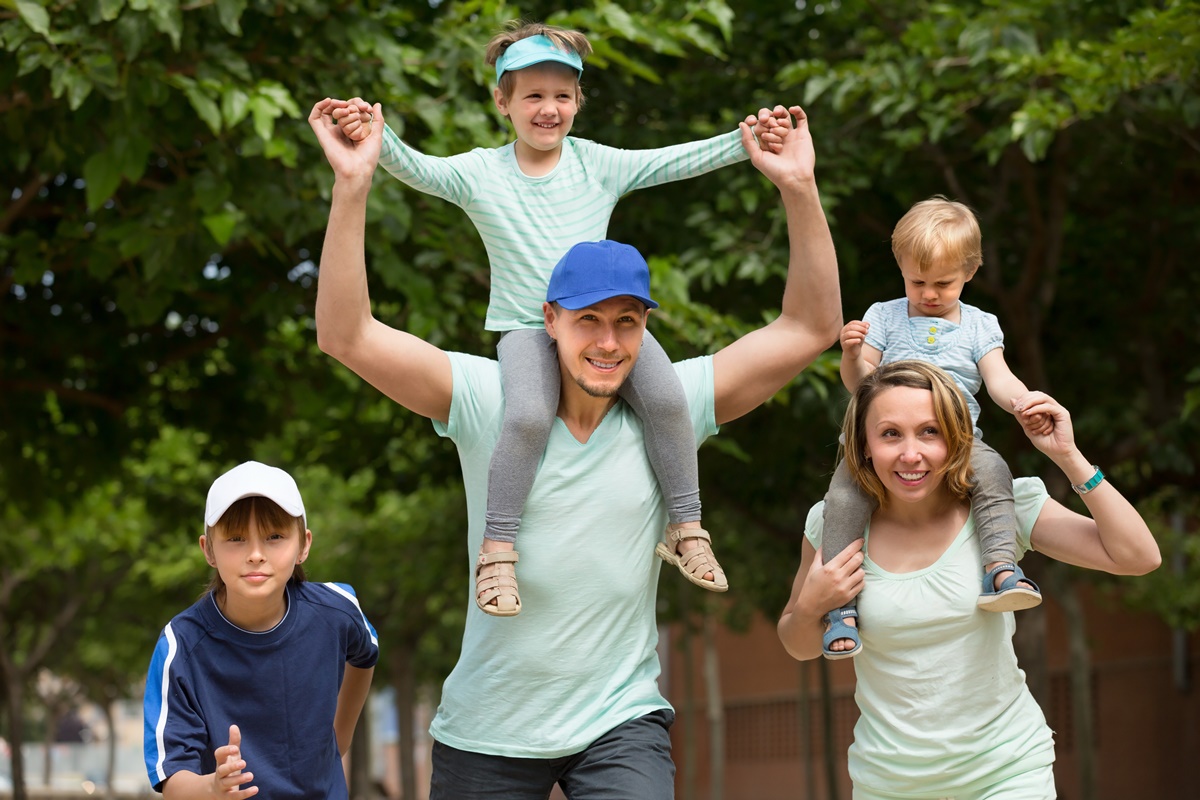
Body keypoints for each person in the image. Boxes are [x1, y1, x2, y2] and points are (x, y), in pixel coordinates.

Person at [309, 95, 839, 798]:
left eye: (627, 322)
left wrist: (798, 188)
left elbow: (810, 326)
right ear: (551, 321)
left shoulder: (672, 408)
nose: (609, 341)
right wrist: (352, 188)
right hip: (488, 729)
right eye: (589, 321)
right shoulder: (490, 397)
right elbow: (346, 336)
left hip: (620, 722)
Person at [328, 20, 789, 614]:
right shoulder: (480, 173)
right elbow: (420, 169)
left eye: (563, 96)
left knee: (670, 400)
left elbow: (674, 161)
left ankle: (687, 528)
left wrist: (747, 139)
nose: (549, 109)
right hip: (526, 330)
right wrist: (374, 136)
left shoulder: (596, 164)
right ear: (503, 101)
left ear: (578, 101)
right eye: (534, 96)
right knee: (523, 418)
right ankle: (496, 552)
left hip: (599, 325)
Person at [778, 360, 1160, 799]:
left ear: (956, 437)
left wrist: (1068, 457)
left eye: (929, 431)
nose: (910, 453)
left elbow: (1138, 557)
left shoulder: (1000, 511)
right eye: (890, 434)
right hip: (889, 783)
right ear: (863, 445)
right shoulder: (833, 527)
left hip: (1008, 772)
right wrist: (813, 604)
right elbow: (799, 644)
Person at [819, 196, 1052, 659]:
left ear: (970, 271)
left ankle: (1000, 568)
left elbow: (998, 378)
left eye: (943, 283)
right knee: (843, 498)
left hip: (955, 441)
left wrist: (1023, 402)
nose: (928, 294)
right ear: (900, 269)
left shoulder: (979, 326)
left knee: (994, 473)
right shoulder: (884, 316)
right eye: (916, 281)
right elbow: (862, 385)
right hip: (880, 439)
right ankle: (841, 608)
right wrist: (851, 355)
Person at [142, 461, 379, 799]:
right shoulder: (180, 645)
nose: (255, 554)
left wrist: (340, 736)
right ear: (208, 549)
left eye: (274, 537)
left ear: (304, 544)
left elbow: (366, 652)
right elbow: (173, 780)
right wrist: (213, 786)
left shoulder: (336, 610)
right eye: (236, 539)